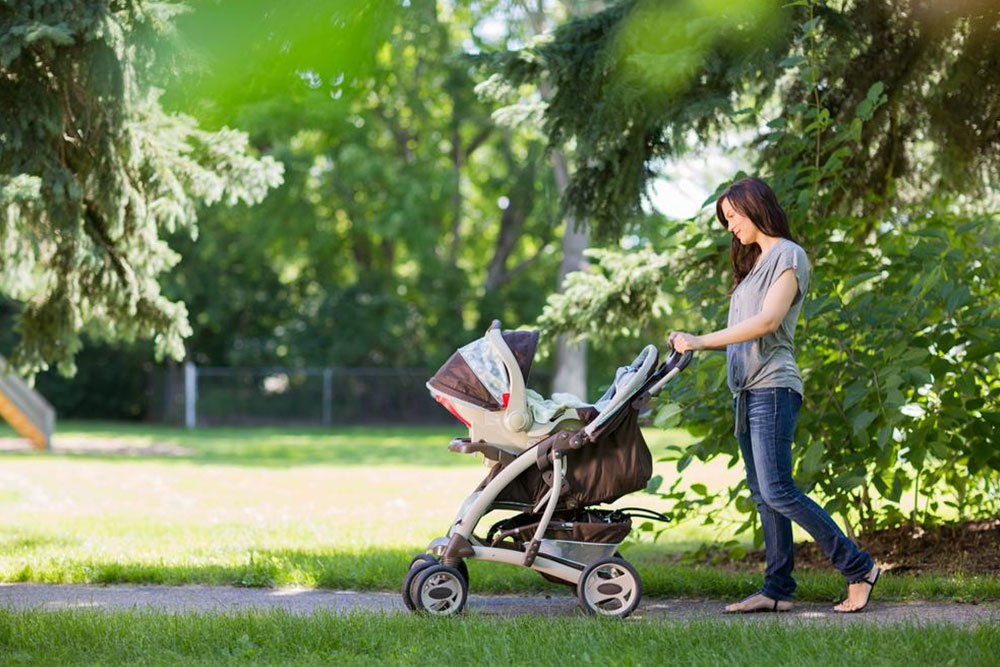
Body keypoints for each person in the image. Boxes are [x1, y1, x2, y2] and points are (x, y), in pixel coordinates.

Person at [668, 177, 880, 614]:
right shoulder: (754, 267)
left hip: (774, 387)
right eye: (725, 220)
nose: (730, 228)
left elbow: (767, 322)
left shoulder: (788, 255)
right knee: (765, 495)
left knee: (779, 489)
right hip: (747, 393)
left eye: (733, 217)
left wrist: (701, 340)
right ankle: (777, 588)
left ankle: (859, 569)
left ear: (755, 208)